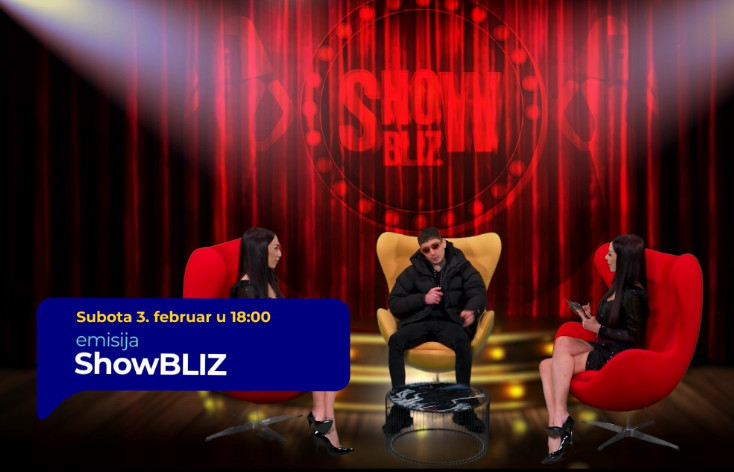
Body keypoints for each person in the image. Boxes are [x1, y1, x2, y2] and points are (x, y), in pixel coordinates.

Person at [230, 227, 354, 456]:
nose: (280, 254)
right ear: (259, 250)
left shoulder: (268, 277)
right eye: (275, 248)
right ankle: (323, 420)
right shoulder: (245, 289)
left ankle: (325, 419)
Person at [538, 234, 649, 465]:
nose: (606, 258)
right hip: (604, 344)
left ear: (623, 259)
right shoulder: (617, 283)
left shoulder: (634, 294)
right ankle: (560, 416)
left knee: (548, 367)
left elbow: (634, 337)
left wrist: (598, 328)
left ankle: (557, 426)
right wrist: (590, 318)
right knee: (559, 346)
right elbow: (614, 322)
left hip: (616, 355)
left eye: (610, 254)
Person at [382, 227, 488, 434]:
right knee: (395, 341)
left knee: (462, 342)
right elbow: (394, 303)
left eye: (435, 246)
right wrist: (423, 298)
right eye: (426, 249)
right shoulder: (413, 271)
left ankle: (463, 409)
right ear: (421, 252)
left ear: (444, 243)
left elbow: (478, 291)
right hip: (420, 320)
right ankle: (400, 411)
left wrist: (471, 309)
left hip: (451, 322)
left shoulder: (462, 266)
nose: (432, 252)